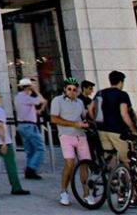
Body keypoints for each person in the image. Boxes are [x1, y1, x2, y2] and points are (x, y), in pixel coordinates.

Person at [51, 78, 90, 207]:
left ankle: (86, 194)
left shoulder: (79, 102)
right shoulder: (57, 101)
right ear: (65, 89)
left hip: (81, 135)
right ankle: (64, 191)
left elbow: (84, 116)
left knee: (85, 164)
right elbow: (54, 118)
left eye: (74, 89)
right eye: (69, 89)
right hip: (66, 135)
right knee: (70, 163)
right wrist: (74, 124)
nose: (72, 92)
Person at [88, 70, 137, 165]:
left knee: (111, 157)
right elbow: (124, 114)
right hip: (117, 130)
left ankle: (113, 178)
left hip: (102, 129)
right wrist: (133, 129)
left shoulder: (100, 93)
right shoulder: (122, 94)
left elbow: (90, 109)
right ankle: (127, 179)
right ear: (121, 82)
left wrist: (95, 121)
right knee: (125, 160)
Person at [14, 77, 46, 179]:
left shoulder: (18, 97)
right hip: (29, 126)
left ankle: (29, 170)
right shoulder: (26, 97)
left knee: (30, 150)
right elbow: (42, 100)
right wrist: (35, 90)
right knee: (40, 148)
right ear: (28, 87)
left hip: (22, 125)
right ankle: (31, 168)